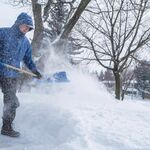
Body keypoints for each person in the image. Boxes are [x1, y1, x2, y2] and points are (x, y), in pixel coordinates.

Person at [0, 12, 42, 137]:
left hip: (11, 75)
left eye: (29, 28)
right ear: (19, 22)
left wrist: (34, 71)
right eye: (25, 26)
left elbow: (28, 59)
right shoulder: (3, 33)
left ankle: (6, 127)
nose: (26, 29)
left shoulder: (25, 42)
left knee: (12, 102)